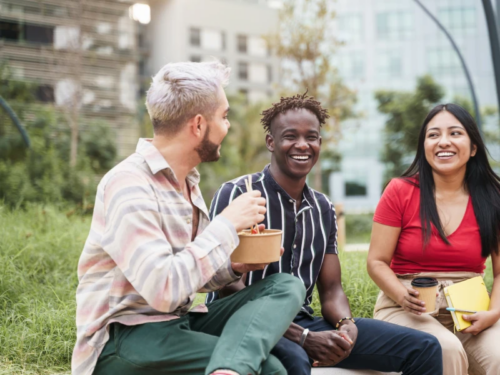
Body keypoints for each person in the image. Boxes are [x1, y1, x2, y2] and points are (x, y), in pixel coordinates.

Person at [71, 61, 306, 375]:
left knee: (285, 287)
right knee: (271, 371)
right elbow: (164, 288)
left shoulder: (188, 184)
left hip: (177, 324)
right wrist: (225, 225)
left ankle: (229, 368)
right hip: (123, 339)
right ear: (198, 125)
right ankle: (232, 368)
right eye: (223, 116)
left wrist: (235, 265)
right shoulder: (128, 184)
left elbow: (188, 276)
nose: (228, 126)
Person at [206, 93, 443, 375]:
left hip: (302, 321)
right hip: (242, 324)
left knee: (425, 347)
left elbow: (331, 290)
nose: (302, 145)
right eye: (290, 136)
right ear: (271, 142)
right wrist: (303, 339)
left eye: (312, 137)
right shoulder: (238, 194)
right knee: (295, 359)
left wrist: (346, 325)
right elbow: (228, 285)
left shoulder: (322, 207)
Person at [367, 103, 500, 375]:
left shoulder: (493, 197)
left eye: (455, 133)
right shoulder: (399, 191)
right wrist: (403, 296)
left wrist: (493, 314)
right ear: (423, 146)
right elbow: (376, 261)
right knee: (443, 349)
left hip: (469, 310)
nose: (443, 142)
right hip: (406, 305)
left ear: (473, 147)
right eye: (433, 135)